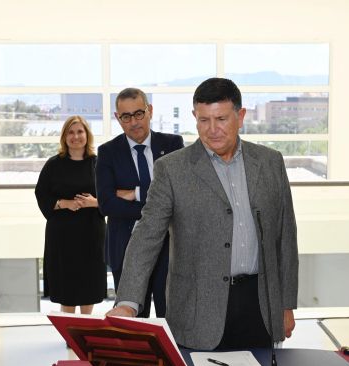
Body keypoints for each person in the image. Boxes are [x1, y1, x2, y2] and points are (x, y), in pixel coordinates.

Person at [107, 78, 298, 351]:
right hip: (197, 313)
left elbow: (285, 237)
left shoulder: (270, 162)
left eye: (221, 119)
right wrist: (127, 303)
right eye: (203, 120)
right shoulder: (172, 169)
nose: (212, 130)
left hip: (261, 307)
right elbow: (146, 237)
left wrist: (286, 304)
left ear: (240, 116)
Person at [96, 88, 184, 318]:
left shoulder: (173, 144)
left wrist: (135, 193)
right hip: (126, 248)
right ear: (118, 118)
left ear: (150, 111)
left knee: (171, 317)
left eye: (139, 113)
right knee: (132, 321)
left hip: (169, 246)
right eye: (126, 116)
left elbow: (180, 195)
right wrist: (161, 205)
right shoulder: (107, 152)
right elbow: (107, 204)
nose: (134, 122)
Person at [35, 115, 106, 314]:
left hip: (91, 233)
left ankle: (86, 326)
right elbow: (41, 194)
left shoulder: (99, 164)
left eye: (80, 132)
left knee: (89, 285)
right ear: (64, 137)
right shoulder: (54, 164)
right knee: (67, 286)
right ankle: (69, 329)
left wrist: (94, 202)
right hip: (63, 235)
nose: (76, 136)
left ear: (87, 135)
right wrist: (63, 203)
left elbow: (111, 196)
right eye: (71, 132)